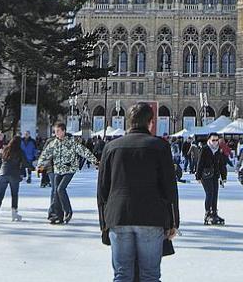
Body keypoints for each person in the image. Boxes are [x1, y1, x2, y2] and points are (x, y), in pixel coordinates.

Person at [97, 102, 180, 282]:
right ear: (150, 122)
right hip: (151, 217)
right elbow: (169, 187)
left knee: (122, 275)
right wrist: (173, 222)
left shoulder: (111, 147)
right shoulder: (159, 146)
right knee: (149, 275)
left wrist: (104, 221)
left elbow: (102, 189)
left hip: (118, 216)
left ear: (128, 122)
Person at [36, 121, 98, 224]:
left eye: (58, 131)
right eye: (55, 131)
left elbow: (84, 151)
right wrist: (39, 166)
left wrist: (95, 161)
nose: (56, 133)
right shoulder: (53, 143)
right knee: (56, 192)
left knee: (60, 189)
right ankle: (57, 216)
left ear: (64, 131)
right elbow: (44, 155)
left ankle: (68, 211)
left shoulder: (71, 142)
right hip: (57, 170)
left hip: (69, 170)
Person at [0, 136, 29, 221]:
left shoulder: (5, 149)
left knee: (0, 193)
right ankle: (14, 213)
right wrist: (33, 168)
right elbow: (25, 163)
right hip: (14, 174)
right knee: (14, 194)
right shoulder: (20, 151)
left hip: (3, 173)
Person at [194, 132, 227, 225]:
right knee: (210, 193)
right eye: (213, 140)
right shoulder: (205, 149)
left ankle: (214, 212)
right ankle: (208, 213)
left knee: (215, 193)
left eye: (217, 140)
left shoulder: (219, 150)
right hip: (205, 175)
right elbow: (200, 163)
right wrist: (198, 176)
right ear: (209, 140)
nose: (215, 142)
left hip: (215, 175)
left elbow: (221, 164)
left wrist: (223, 176)